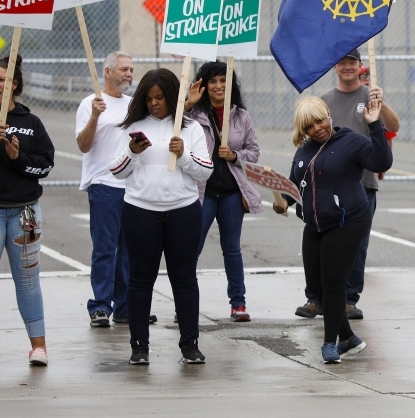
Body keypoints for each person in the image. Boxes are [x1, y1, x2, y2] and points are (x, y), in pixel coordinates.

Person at [274, 96, 392, 364]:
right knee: (316, 287)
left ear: (328, 115)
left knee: (333, 283)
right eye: (309, 126)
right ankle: (349, 338)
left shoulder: (352, 142)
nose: (317, 128)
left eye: (319, 120)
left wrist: (375, 127)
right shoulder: (304, 150)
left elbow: (381, 163)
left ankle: (330, 343)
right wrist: (283, 202)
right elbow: (295, 184)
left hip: (348, 219)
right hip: (315, 223)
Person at [110, 68, 214, 365]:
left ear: (171, 97)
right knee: (141, 279)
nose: (154, 103)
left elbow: (205, 171)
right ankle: (139, 346)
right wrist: (132, 151)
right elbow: (117, 172)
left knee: (184, 279)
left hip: (183, 210)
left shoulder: (190, 128)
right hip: (141, 210)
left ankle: (190, 344)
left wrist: (182, 155)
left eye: (159, 98)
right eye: (148, 98)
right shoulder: (131, 127)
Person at [296, 48, 400, 323]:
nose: (347, 66)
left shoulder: (370, 96)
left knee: (356, 245)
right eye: (342, 62)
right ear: (335, 67)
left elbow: (393, 125)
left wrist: (382, 103)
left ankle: (349, 300)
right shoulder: (325, 101)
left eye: (352, 61)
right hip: (327, 186)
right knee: (322, 244)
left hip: (362, 183)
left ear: (360, 65)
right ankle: (316, 298)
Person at [186, 61, 261, 322]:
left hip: (230, 193)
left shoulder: (241, 116)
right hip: (201, 192)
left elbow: (254, 152)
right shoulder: (193, 114)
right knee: (190, 248)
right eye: (213, 81)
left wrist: (235, 155)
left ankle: (238, 304)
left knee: (232, 248)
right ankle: (184, 304)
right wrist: (187, 103)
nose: (218, 86)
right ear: (204, 85)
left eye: (223, 80)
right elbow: (174, 130)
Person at [77, 51, 144, 328]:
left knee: (129, 250)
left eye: (131, 69)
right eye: (124, 69)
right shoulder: (90, 103)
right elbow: (83, 145)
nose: (129, 74)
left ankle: (124, 306)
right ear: (107, 72)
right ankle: (100, 306)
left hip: (131, 185)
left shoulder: (133, 105)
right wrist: (94, 116)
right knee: (105, 248)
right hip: (104, 185)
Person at [0, 53, 55, 366]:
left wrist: (17, 157)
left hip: (25, 215)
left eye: (3, 80)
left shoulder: (30, 123)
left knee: (28, 281)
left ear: (15, 84)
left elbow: (45, 165)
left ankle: (39, 347)